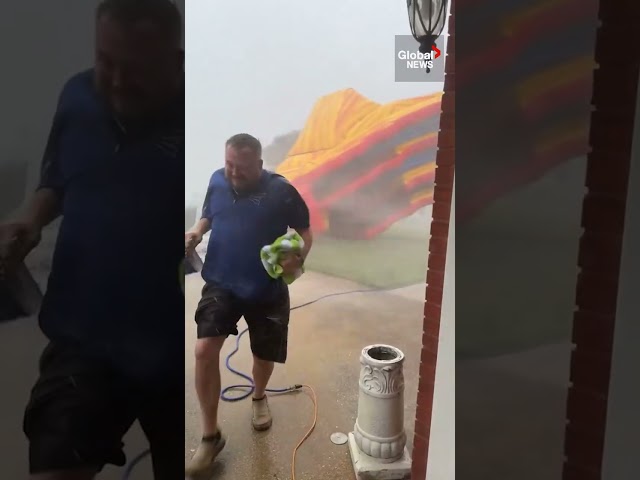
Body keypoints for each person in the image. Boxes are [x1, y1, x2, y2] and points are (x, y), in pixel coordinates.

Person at [0, 1, 184, 479]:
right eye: (107, 61)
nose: (118, 81)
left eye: (137, 67)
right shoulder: (78, 95)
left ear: (176, 58)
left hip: (175, 345)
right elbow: (58, 178)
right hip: (85, 335)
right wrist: (27, 220)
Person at [184, 133, 313, 476]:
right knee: (203, 350)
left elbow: (304, 230)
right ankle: (211, 438)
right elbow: (208, 215)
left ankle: (258, 397)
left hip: (266, 285)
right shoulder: (217, 179)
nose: (233, 173)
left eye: (241, 168)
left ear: (259, 164)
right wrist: (196, 231)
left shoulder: (281, 190)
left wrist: (297, 256)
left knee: (263, 353)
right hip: (221, 281)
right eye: (228, 164)